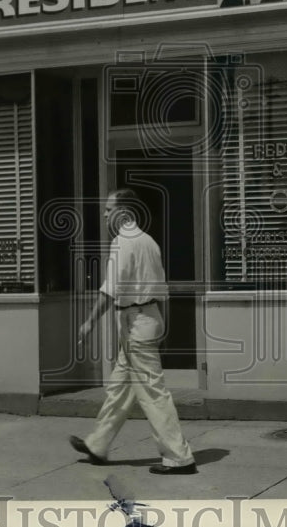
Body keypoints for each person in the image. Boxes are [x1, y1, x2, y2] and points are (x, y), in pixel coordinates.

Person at [69, 188, 197, 475]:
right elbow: (161, 291)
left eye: (108, 209)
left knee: (152, 393)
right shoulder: (149, 242)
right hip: (146, 319)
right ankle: (97, 445)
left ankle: (178, 457)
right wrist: (161, 325)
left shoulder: (123, 242)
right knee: (121, 389)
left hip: (136, 323)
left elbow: (111, 290)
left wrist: (89, 322)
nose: (104, 215)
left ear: (124, 212)